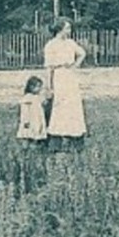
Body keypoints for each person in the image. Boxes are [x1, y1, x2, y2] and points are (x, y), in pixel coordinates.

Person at [42, 18, 88, 147]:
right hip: (59, 76)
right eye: (67, 28)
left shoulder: (70, 43)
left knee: (73, 106)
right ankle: (57, 138)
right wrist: (49, 87)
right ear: (59, 29)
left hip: (70, 76)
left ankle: (75, 137)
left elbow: (82, 53)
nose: (69, 30)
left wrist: (75, 65)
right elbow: (48, 68)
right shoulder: (51, 45)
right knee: (60, 106)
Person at [15, 74, 49, 145]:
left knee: (37, 131)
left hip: (37, 118)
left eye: (40, 87)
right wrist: (26, 120)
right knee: (28, 133)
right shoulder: (27, 98)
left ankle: (36, 144)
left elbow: (44, 102)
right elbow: (25, 111)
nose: (39, 89)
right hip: (30, 119)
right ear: (31, 87)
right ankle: (26, 147)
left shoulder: (38, 97)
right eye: (38, 87)